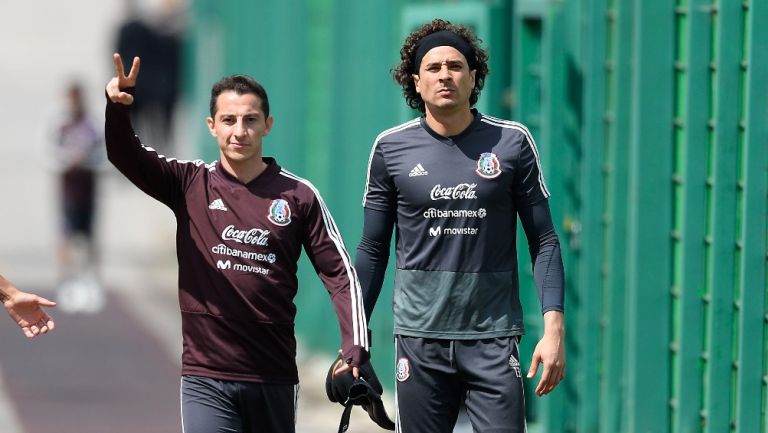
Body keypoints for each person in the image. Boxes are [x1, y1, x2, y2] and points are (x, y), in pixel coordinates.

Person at [105, 53, 369, 433]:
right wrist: (117, 109)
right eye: (228, 120)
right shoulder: (189, 183)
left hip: (273, 376)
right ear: (212, 126)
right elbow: (125, 155)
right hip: (205, 375)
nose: (238, 131)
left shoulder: (299, 196)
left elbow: (339, 275)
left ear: (268, 125)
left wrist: (354, 345)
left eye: (250, 120)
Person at [356, 19, 566, 432]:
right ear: (416, 82)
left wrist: (553, 329)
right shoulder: (390, 148)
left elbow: (544, 239)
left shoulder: (512, 142)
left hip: (493, 337)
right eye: (433, 68)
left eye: (455, 66)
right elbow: (372, 250)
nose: (445, 76)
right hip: (418, 339)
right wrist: (355, 337)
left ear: (474, 77)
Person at [53, 82, 104, 313]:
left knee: (90, 237)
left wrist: (85, 160)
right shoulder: (60, 125)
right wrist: (66, 160)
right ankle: (68, 283)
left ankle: (90, 282)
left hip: (88, 187)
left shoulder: (92, 125)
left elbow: (104, 153)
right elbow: (48, 152)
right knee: (67, 236)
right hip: (68, 189)